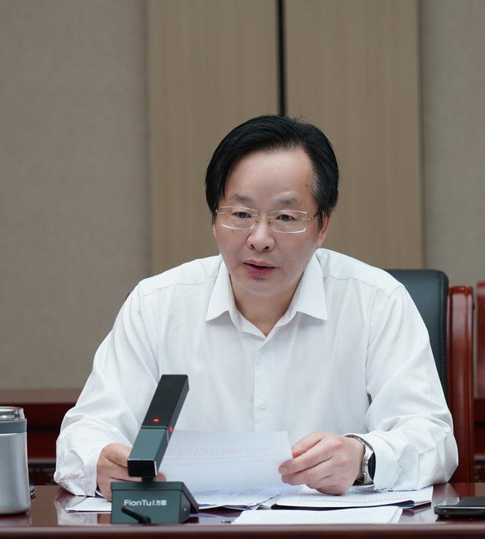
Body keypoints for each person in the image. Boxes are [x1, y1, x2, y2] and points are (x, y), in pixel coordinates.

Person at [55, 115, 457, 499]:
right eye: (241, 214)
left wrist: (362, 458)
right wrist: (100, 462)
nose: (260, 238)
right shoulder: (156, 305)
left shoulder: (376, 302)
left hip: (328, 532)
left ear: (322, 226)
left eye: (285, 217)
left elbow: (434, 439)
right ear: (215, 219)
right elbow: (86, 431)